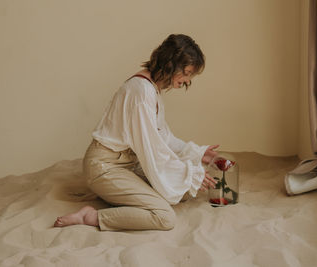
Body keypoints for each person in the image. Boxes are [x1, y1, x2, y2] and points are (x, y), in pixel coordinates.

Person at [54, 34, 219, 231]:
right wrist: (189, 173)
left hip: (128, 164)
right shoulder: (141, 91)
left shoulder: (151, 89)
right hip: (105, 167)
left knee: (182, 190)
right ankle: (90, 216)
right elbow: (152, 148)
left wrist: (197, 153)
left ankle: (121, 194)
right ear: (171, 64)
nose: (187, 80)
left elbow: (162, 136)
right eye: (187, 72)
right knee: (165, 217)